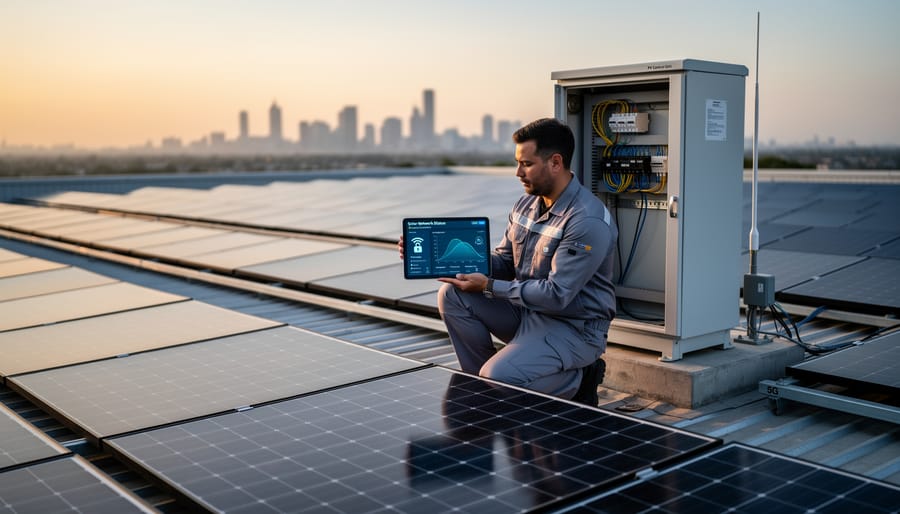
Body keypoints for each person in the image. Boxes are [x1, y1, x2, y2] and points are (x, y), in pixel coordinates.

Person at [401, 118, 618, 405]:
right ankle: (486, 387)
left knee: (500, 375)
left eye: (526, 164)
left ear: (555, 162)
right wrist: (436, 255)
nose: (518, 172)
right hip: (528, 311)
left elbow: (556, 295)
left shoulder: (586, 220)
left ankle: (578, 381)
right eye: (518, 163)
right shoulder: (525, 205)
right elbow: (505, 261)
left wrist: (488, 287)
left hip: (572, 328)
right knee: (452, 294)